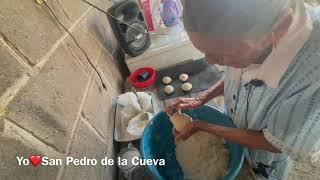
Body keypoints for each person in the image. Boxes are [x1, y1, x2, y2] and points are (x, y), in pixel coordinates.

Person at [165, 0, 320, 179]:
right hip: (237, 119)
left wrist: (205, 127)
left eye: (225, 55)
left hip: (265, 160)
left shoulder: (312, 72)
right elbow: (237, 75)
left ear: (279, 28)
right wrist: (203, 97)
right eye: (204, 51)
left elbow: (277, 142)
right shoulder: (239, 36)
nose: (210, 61)